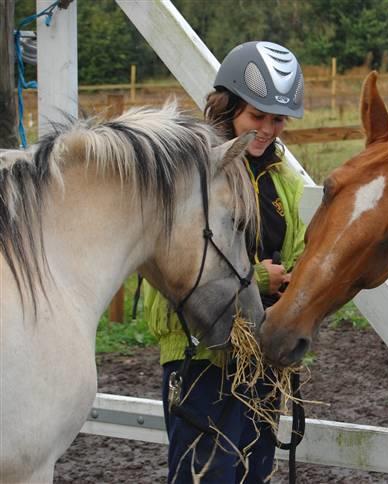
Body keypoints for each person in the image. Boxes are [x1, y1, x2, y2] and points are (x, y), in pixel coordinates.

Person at [142, 40, 306, 483]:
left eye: (277, 119)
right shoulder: (194, 170)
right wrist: (256, 279)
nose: (267, 129)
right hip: (201, 355)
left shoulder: (283, 180)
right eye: (257, 116)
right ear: (228, 106)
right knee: (207, 474)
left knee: (256, 471)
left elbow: (294, 252)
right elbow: (174, 265)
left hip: (262, 353)